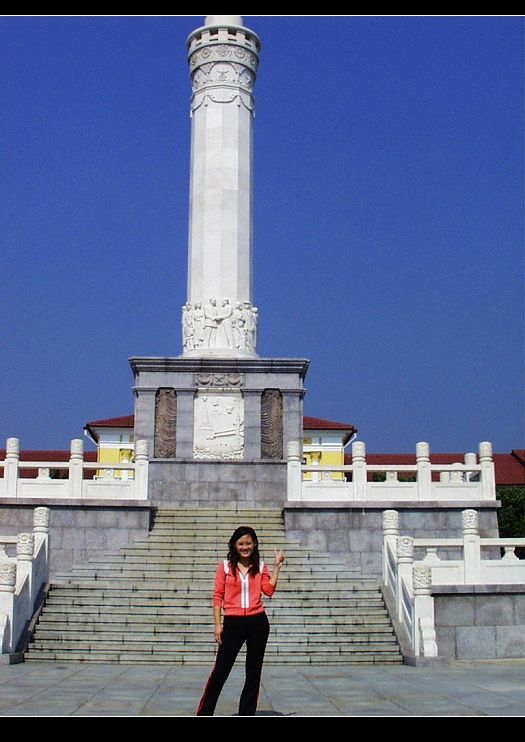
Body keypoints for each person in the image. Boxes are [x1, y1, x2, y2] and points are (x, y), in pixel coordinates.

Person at [197, 526, 285, 716]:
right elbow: (217, 596)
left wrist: (277, 566)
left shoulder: (260, 566)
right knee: (220, 671)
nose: (245, 547)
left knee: (253, 673)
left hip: (257, 623)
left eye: (248, 543)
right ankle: (204, 712)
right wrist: (218, 625)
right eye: (241, 543)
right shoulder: (225, 566)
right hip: (233, 624)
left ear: (254, 544)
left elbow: (268, 591)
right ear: (234, 545)